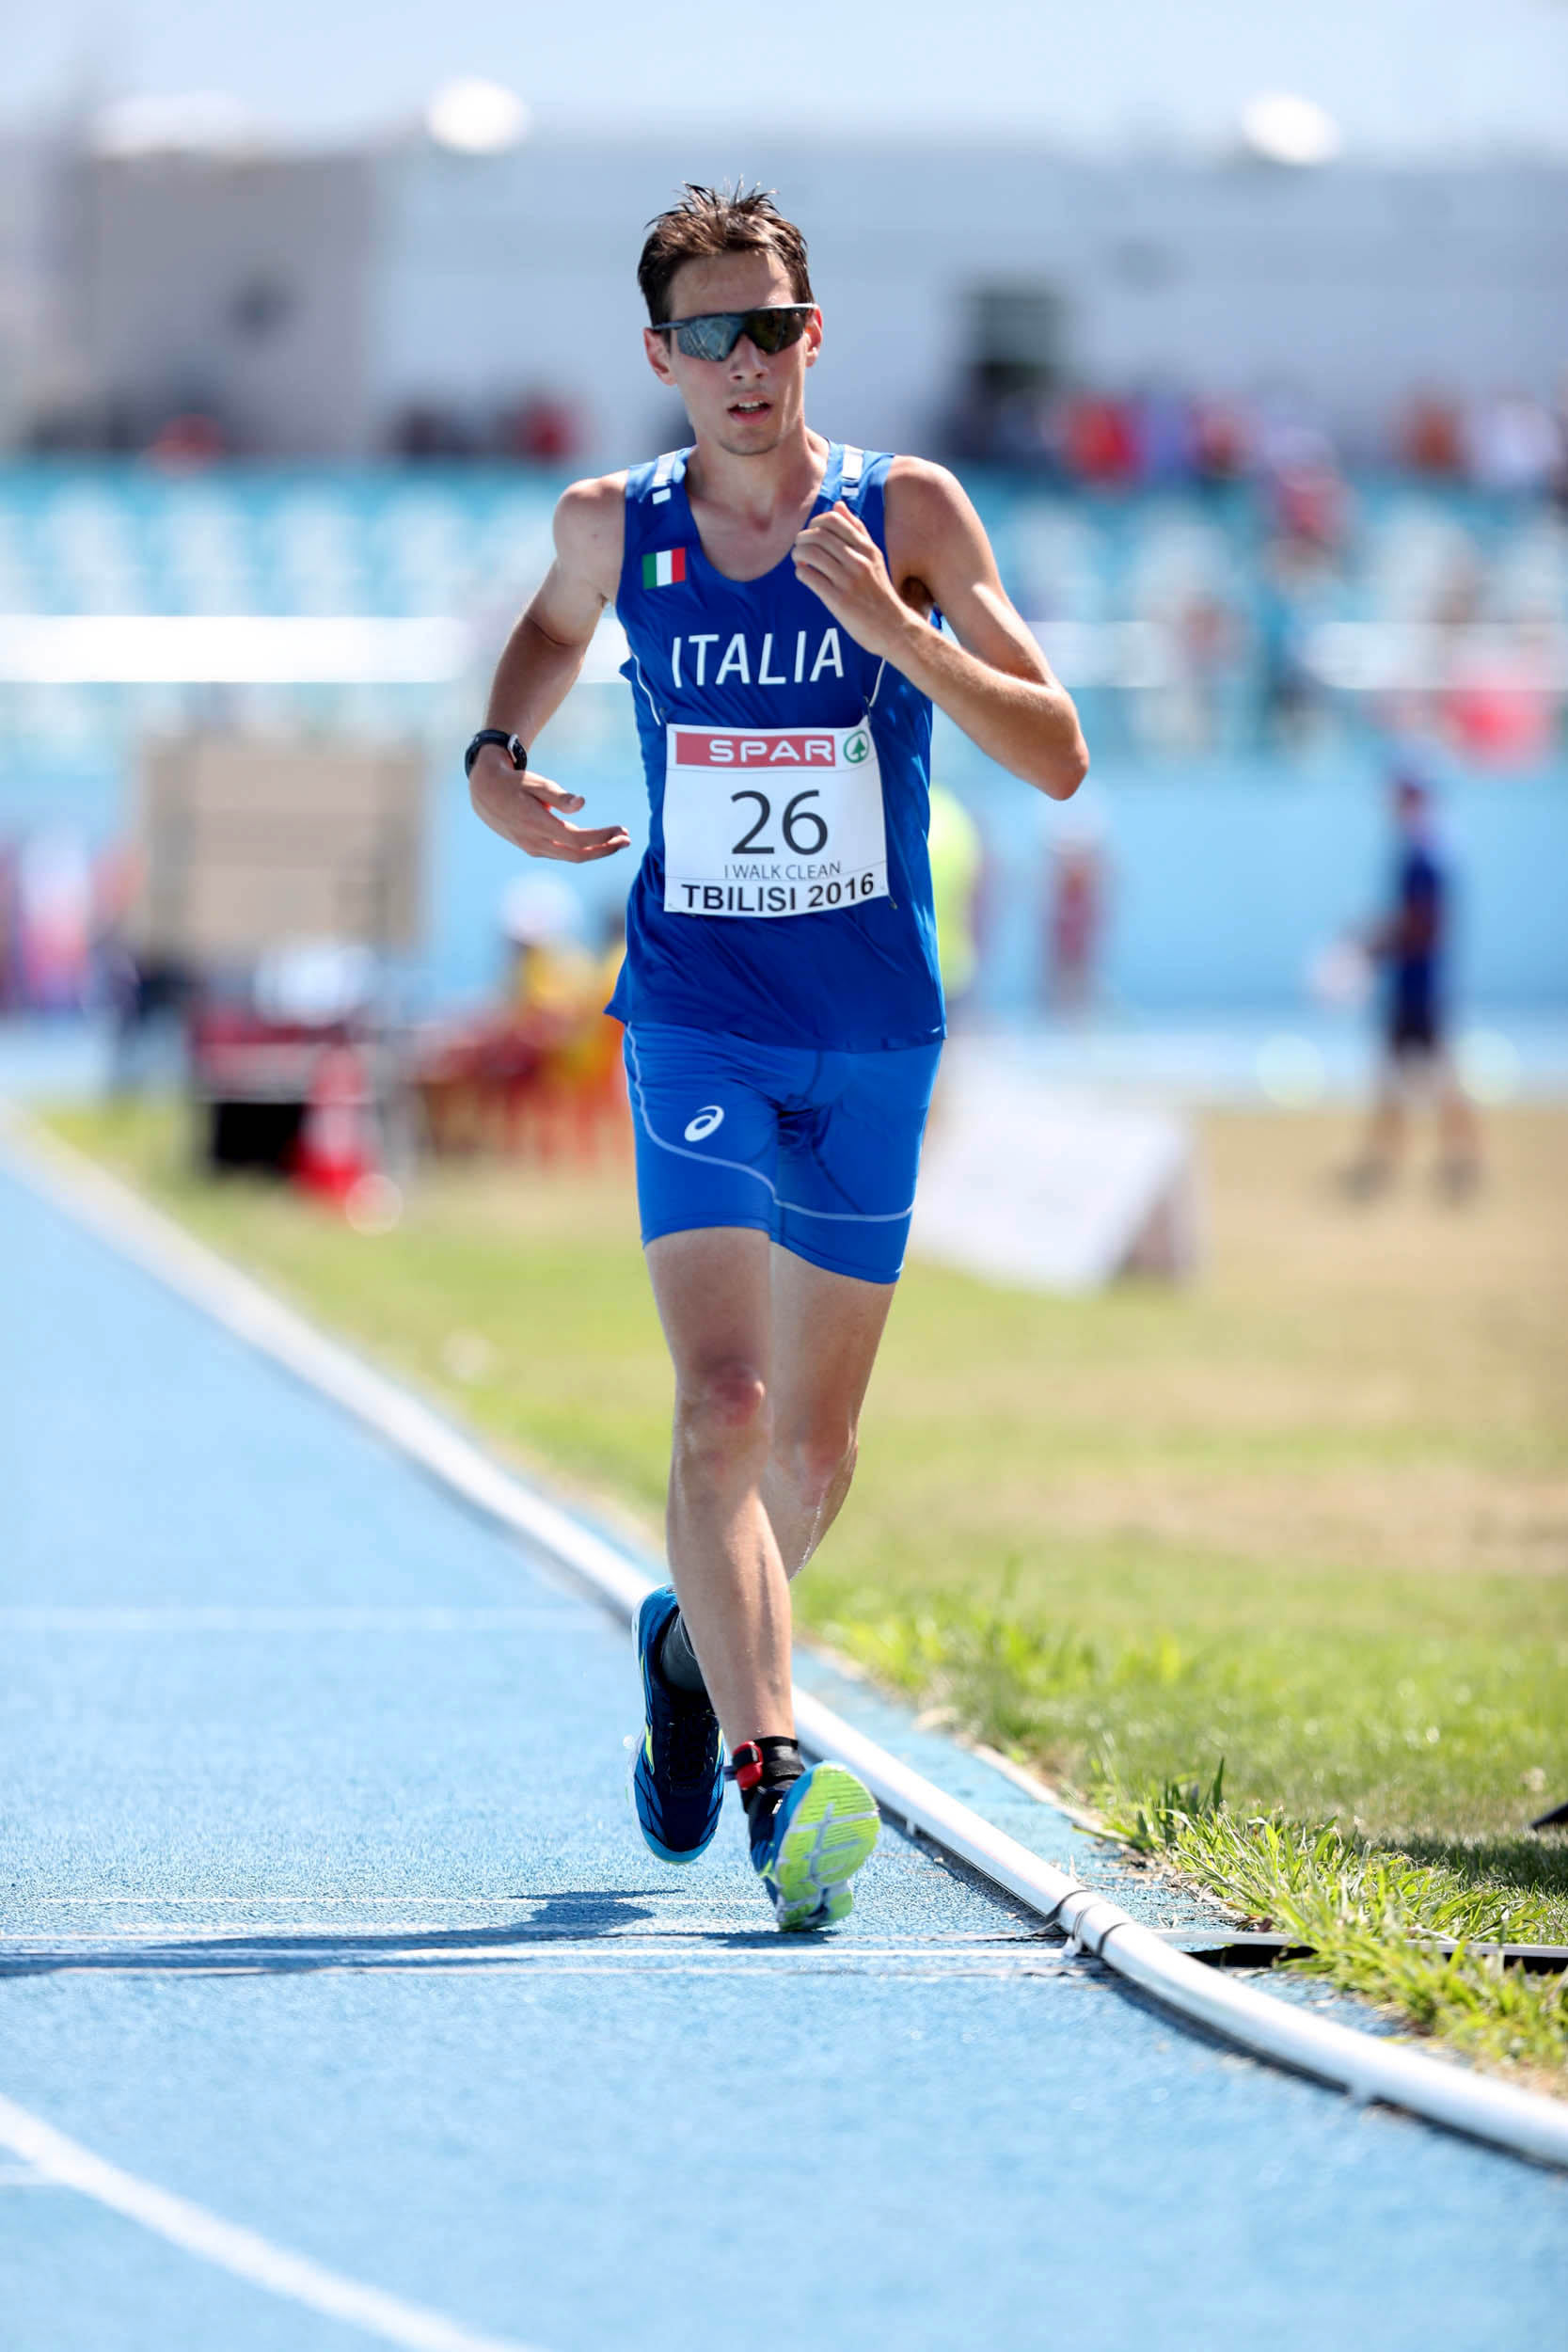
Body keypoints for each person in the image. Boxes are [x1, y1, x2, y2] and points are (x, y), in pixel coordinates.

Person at [467, 185, 1086, 1930]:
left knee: (806, 1460)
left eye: (771, 327)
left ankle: (689, 1651)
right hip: (695, 1009)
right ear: (660, 353)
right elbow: (547, 630)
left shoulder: (909, 512)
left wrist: (898, 633)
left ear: (814, 336)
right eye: (709, 334)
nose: (744, 362)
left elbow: (1055, 753)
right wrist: (494, 763)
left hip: (871, 1026)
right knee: (722, 1406)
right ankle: (773, 1773)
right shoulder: (614, 522)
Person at [1346, 771, 1481, 1199]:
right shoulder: (1423, 853)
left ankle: (1458, 1160)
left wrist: (1377, 940)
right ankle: (1389, 1159)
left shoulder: (1424, 858)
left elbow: (1425, 925)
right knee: (1397, 1077)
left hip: (1421, 990)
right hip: (1413, 987)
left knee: (1435, 1078)